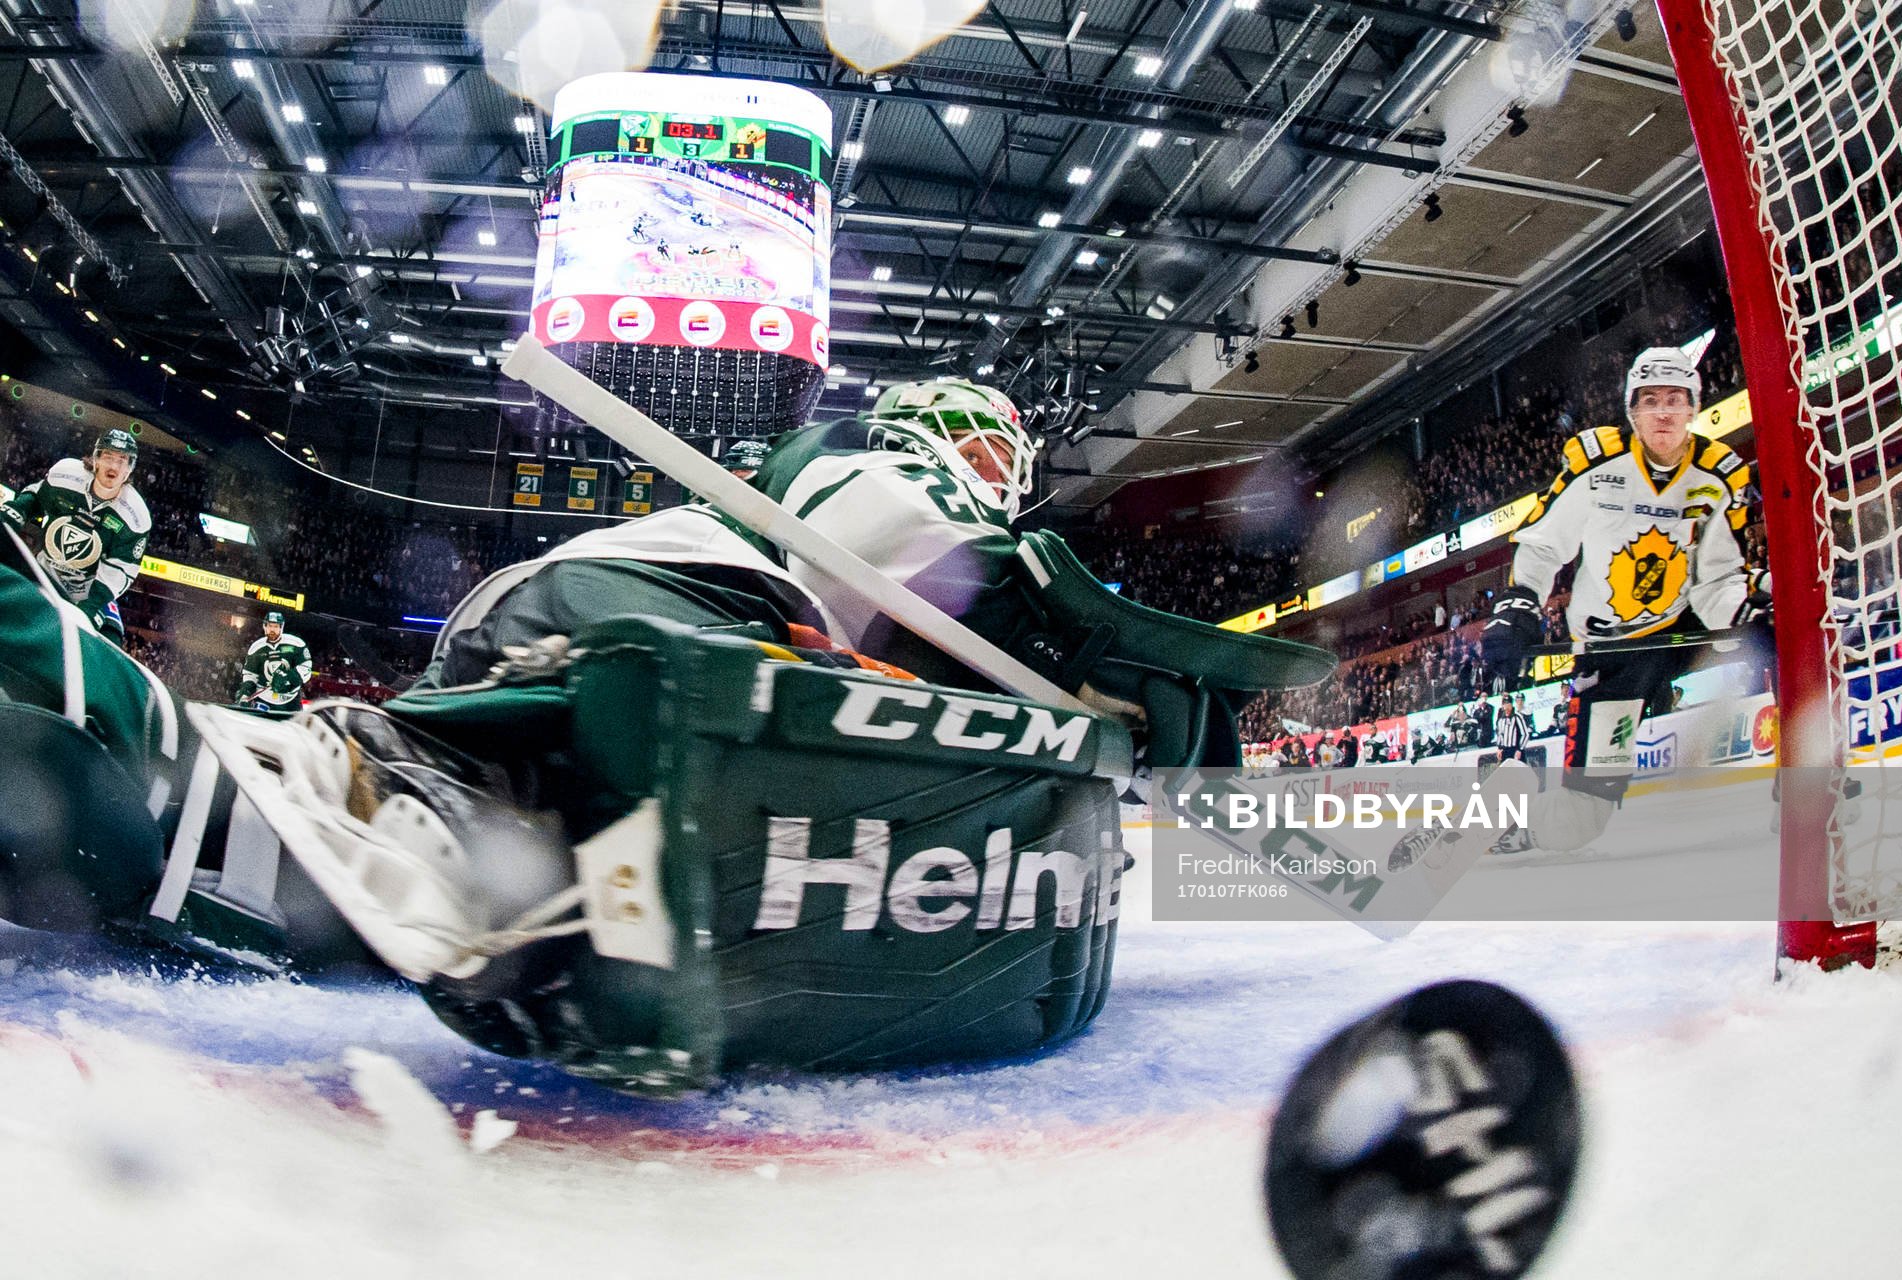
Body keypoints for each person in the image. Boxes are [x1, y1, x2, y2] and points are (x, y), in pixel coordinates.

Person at [0, 377, 1331, 1098]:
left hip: (570, 643)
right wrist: (1079, 650)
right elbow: (927, 549)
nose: (1003, 473)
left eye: (1013, 460)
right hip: (670, 609)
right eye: (986, 448)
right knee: (532, 820)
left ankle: (172, 792)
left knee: (413, 872)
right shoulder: (857, 457)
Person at [1479, 347, 1771, 850]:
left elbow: (1718, 579)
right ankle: (1515, 817)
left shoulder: (1718, 475)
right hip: (1614, 650)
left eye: (1675, 399)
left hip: (1684, 631)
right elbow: (1547, 544)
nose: (1663, 411)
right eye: (1650, 399)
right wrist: (1520, 601)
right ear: (1631, 409)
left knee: (1781, 625)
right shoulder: (1598, 464)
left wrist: (1746, 614)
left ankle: (1811, 790)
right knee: (1577, 825)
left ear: (1693, 407)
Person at [0, 427, 149, 644]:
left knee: (107, 643)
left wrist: (86, 610)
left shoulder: (135, 516)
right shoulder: (66, 475)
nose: (114, 466)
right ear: (96, 458)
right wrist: (14, 513)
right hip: (45, 574)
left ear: (129, 469)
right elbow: (35, 497)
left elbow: (120, 571)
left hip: (90, 593)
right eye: (108, 457)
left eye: (122, 460)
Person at [236, 611, 314, 711]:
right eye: (269, 626)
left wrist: (290, 677)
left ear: (281, 627)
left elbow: (306, 667)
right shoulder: (256, 648)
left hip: (291, 699)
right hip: (263, 699)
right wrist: (245, 693)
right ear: (264, 626)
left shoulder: (296, 644)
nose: (272, 629)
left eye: (276, 626)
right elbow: (250, 674)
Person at [1493, 693, 1529, 762]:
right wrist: (1499, 748)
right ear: (1502, 706)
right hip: (1505, 751)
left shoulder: (1517, 717)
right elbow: (1499, 734)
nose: (1506, 706)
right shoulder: (1500, 719)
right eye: (1505, 704)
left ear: (1512, 705)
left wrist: (1520, 749)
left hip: (1515, 749)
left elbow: (1525, 734)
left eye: (1508, 704)